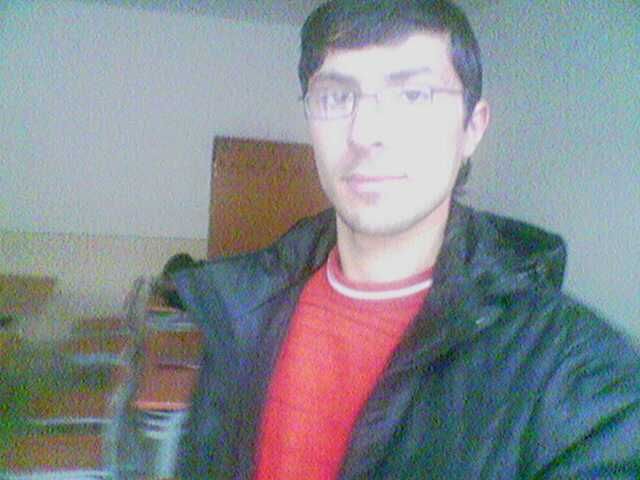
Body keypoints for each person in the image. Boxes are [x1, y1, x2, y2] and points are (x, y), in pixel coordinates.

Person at [173, 0, 640, 478]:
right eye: (335, 97)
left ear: (472, 128)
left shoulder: (580, 380)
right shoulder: (241, 310)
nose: (365, 133)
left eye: (414, 94)